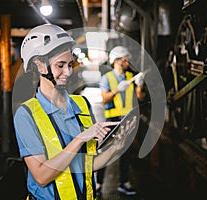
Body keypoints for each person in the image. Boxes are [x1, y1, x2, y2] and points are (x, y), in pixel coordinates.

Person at [13, 24, 134, 200]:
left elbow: (87, 165)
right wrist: (79, 139)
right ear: (39, 65)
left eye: (70, 64)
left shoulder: (82, 104)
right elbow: (41, 177)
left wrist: (116, 147)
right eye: (60, 65)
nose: (68, 72)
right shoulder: (26, 114)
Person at [97, 46, 146, 196]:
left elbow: (140, 98)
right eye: (125, 59)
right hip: (112, 120)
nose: (127, 62)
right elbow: (105, 100)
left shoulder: (131, 76)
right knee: (105, 151)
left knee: (125, 151)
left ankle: (124, 183)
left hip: (127, 120)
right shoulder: (107, 78)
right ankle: (98, 184)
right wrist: (117, 89)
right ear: (116, 61)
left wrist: (139, 86)